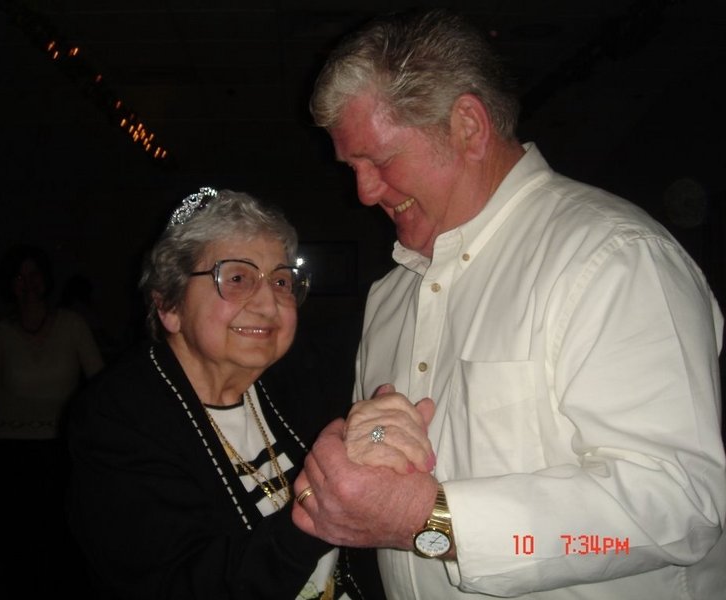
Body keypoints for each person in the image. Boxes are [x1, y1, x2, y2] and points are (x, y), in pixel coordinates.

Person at [291, 8, 726, 600]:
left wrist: (434, 521)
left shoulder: (614, 258)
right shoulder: (391, 295)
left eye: (381, 160)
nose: (363, 191)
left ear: (468, 126)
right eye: (353, 168)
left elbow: (680, 507)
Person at [67, 187, 386, 599]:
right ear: (169, 305)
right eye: (237, 278)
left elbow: (363, 444)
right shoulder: (117, 419)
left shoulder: (297, 378)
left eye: (282, 280)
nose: (269, 304)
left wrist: (381, 436)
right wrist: (316, 519)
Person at [0, 242, 105, 596]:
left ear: (46, 280)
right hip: (11, 449)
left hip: (59, 448)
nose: (27, 283)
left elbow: (101, 382)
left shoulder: (72, 325)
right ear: (9, 285)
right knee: (16, 543)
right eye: (18, 277)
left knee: (63, 538)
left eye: (33, 274)